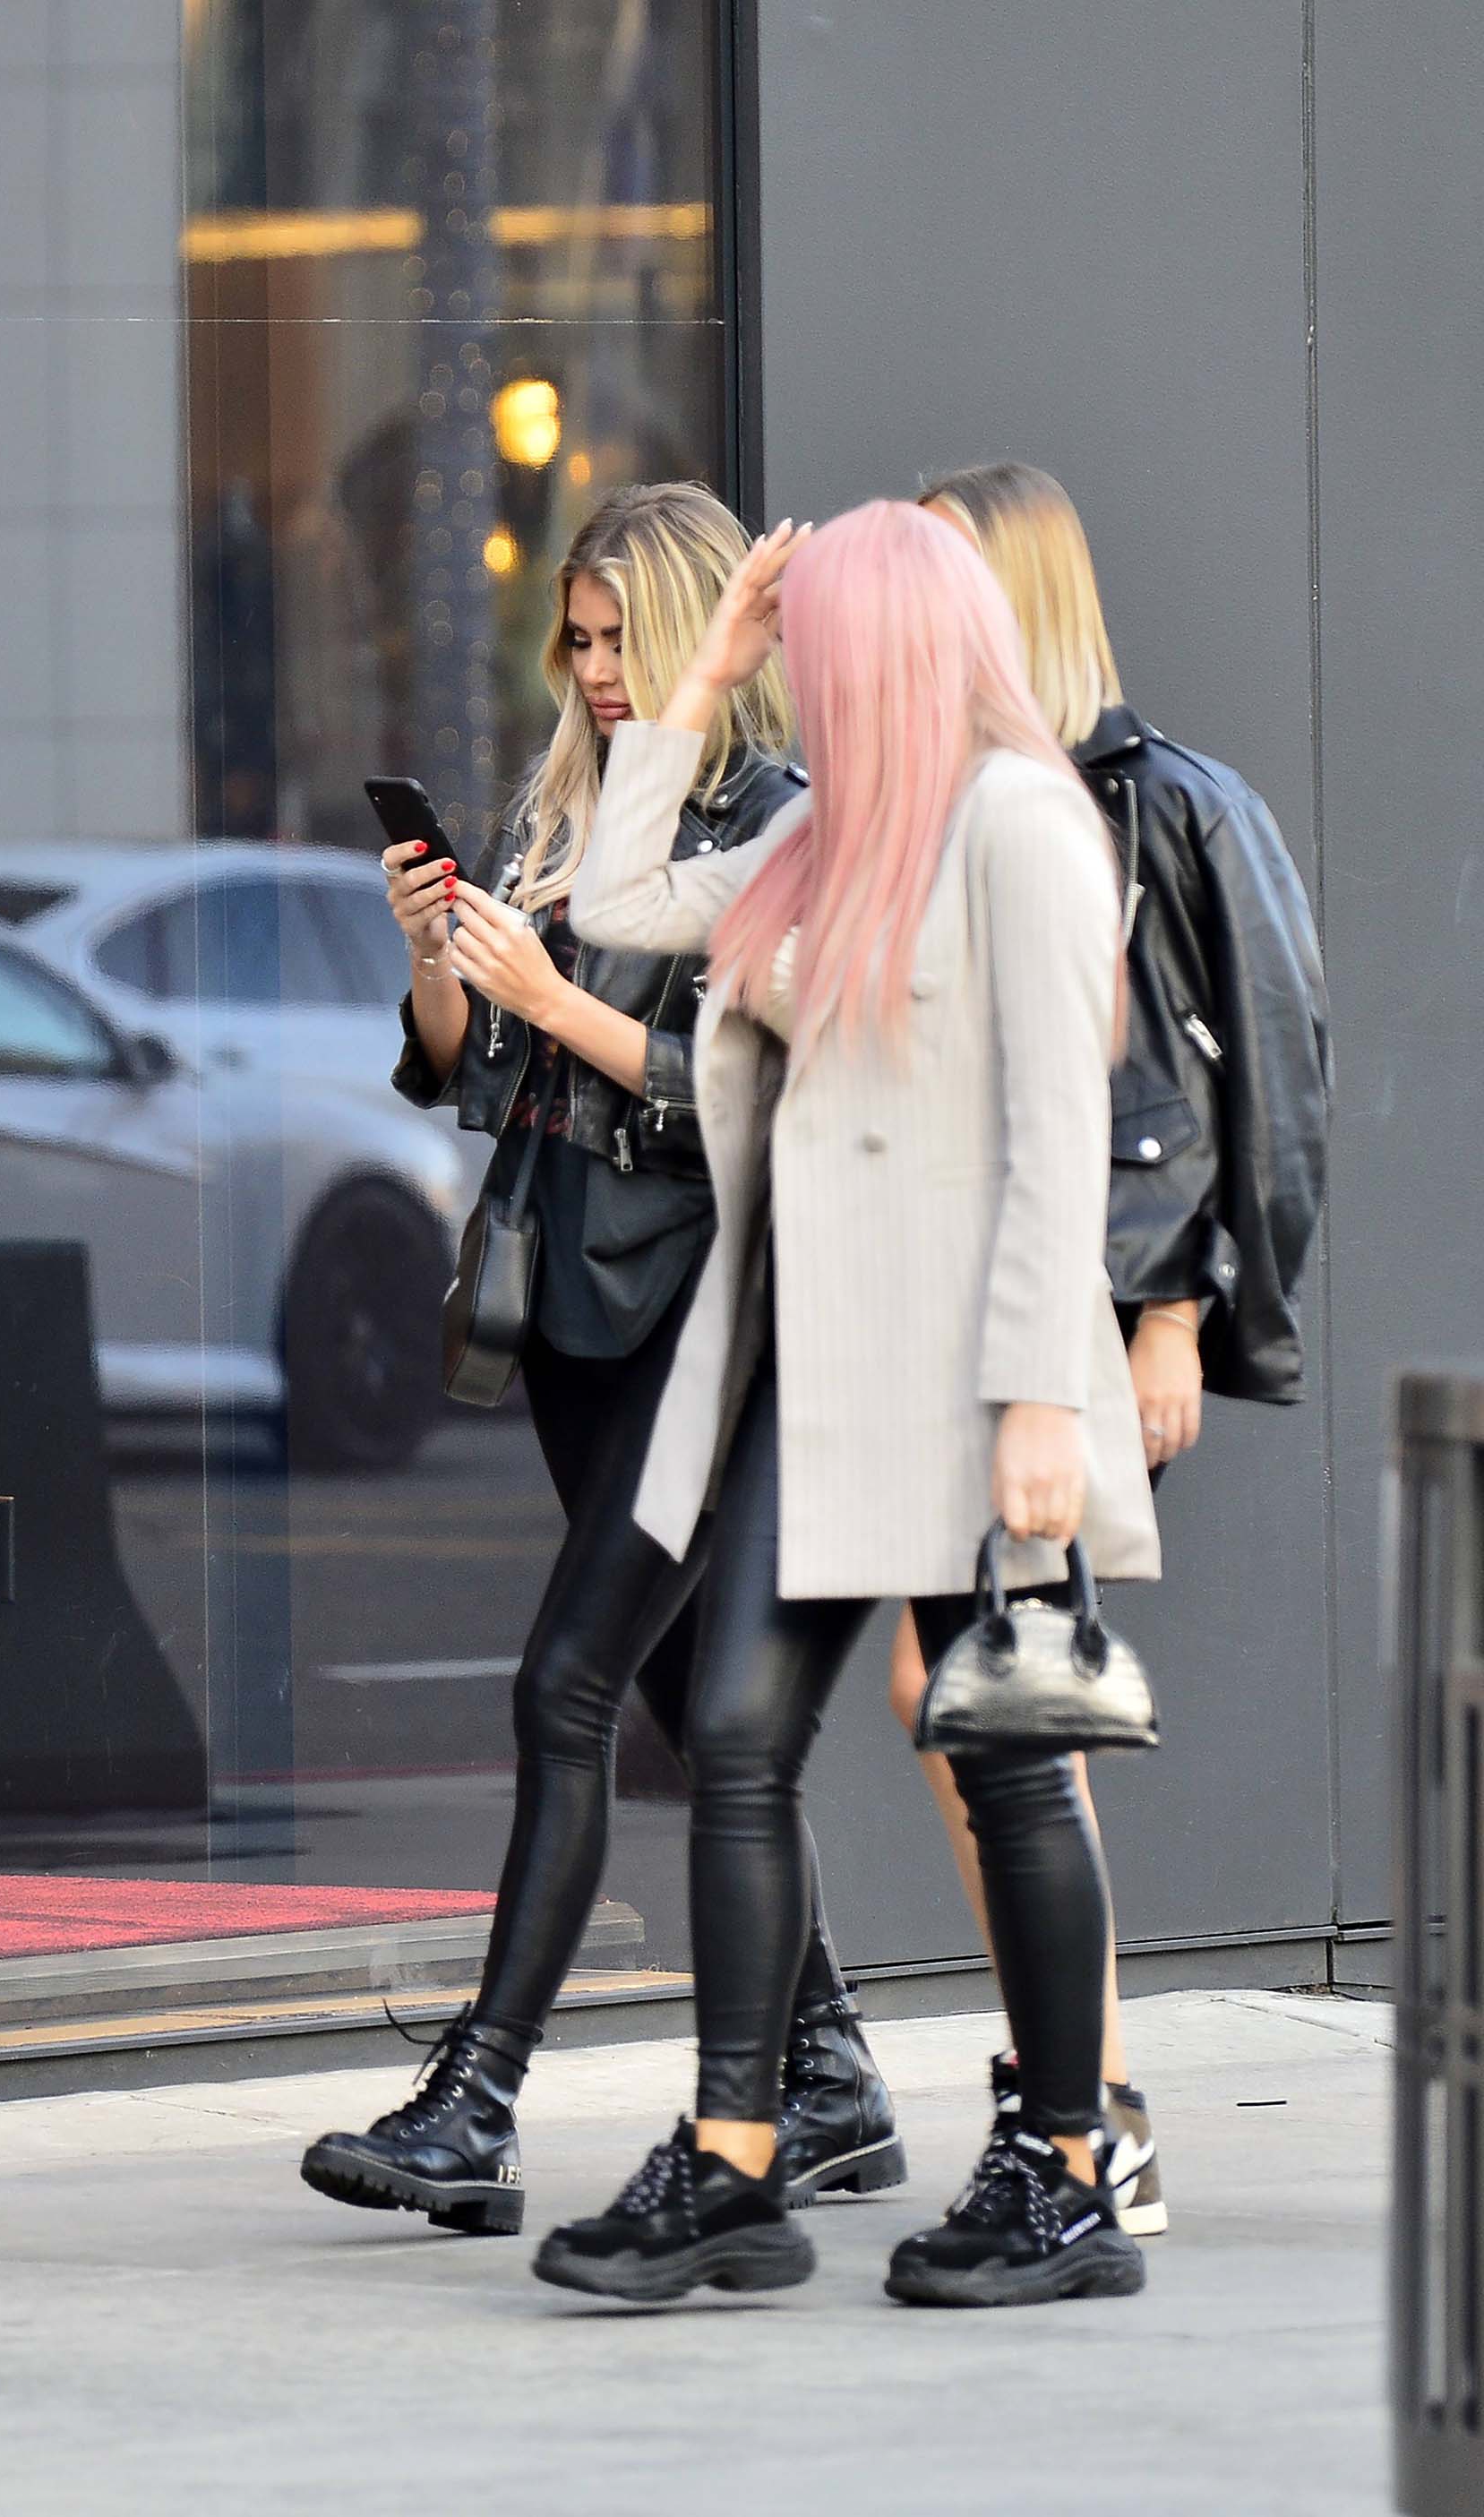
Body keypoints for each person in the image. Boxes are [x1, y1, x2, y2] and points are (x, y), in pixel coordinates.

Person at [536, 502, 1159, 2310]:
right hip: (806, 1377)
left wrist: (1045, 1395)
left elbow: (1058, 1130)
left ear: (896, 643)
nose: (793, 678)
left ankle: (1063, 2170)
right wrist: (692, 683)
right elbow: (614, 902)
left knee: (1004, 1755)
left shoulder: (1023, 826)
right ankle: (735, 2160)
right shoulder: (828, 831)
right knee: (734, 1738)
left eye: (806, 649)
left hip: (968, 1383)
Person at [299, 483, 901, 2238]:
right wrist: (439, 967)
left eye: (617, 636)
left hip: (699, 1313)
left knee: (564, 1686)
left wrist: (553, 998)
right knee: (684, 1714)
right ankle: (834, 2070)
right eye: (572, 641)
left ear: (697, 624)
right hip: (566, 1310)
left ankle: (475, 2099)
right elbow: (471, 1077)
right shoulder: (567, 810)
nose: (593, 671)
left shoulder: (770, 819)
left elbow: (738, 1106)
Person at [862, 462, 1332, 2239]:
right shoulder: (946, 805)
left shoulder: (1164, 809)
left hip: (1083, 1308)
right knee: (951, 1691)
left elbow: (1247, 1085)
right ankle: (1067, 2084)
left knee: (1005, 1695)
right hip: (953, 1305)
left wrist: (1175, 1315)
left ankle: (1085, 2108)